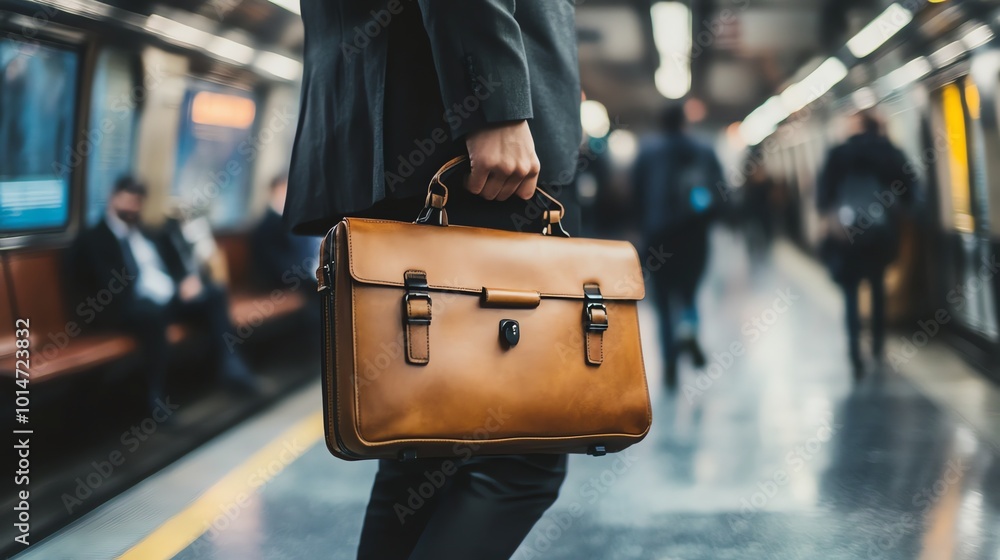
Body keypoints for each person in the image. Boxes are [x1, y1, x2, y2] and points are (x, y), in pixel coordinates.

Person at [284, 2, 581, 559]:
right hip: (465, 142)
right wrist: (494, 105)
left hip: (399, 120)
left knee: (426, 451)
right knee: (521, 458)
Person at [71, 177, 258, 415]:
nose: (132, 207)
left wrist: (186, 283)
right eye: (127, 200)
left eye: (137, 202)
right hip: (129, 306)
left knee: (213, 294)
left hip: (168, 299)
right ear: (112, 198)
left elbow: (172, 266)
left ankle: (229, 364)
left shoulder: (148, 234)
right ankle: (155, 397)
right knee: (152, 315)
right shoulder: (95, 239)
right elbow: (103, 284)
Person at [817, 112, 915, 379]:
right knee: (877, 287)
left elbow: (823, 195)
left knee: (850, 293)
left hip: (847, 235)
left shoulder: (838, 154)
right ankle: (878, 346)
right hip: (879, 234)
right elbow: (909, 188)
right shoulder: (887, 152)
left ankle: (854, 352)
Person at [632, 104, 724, 389]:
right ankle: (689, 328)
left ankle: (670, 364)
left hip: (659, 237)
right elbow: (721, 192)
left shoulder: (647, 152)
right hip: (694, 237)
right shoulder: (704, 150)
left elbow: (635, 194)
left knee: (662, 302)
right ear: (685, 122)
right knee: (689, 292)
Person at [250, 175, 319, 292]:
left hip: (301, 276)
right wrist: (305, 276)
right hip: (284, 283)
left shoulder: (294, 219)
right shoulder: (269, 226)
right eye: (284, 191)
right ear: (273, 193)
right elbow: (273, 263)